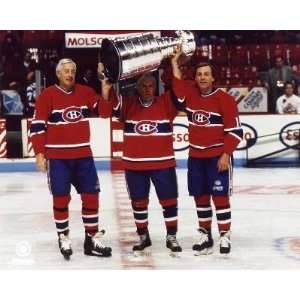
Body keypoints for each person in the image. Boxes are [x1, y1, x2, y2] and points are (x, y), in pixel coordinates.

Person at [30, 58, 112, 260]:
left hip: (83, 156)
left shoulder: (85, 92)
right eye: (65, 71)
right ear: (58, 74)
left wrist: (104, 87)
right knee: (60, 198)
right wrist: (40, 154)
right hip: (58, 158)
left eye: (72, 71)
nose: (69, 74)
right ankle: (63, 237)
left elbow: (104, 112)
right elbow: (38, 128)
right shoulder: (47, 95)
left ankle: (91, 238)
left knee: (92, 196)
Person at [99, 64, 182, 256]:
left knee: (169, 201)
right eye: (143, 86)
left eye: (150, 86)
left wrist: (175, 63)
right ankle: (143, 236)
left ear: (156, 87)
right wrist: (105, 80)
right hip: (135, 165)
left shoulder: (166, 104)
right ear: (137, 88)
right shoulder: (128, 104)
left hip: (163, 164)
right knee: (138, 202)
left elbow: (179, 90)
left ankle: (171, 236)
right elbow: (109, 103)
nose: (147, 89)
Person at [170, 47, 243, 255]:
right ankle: (205, 234)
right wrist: (175, 62)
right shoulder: (191, 93)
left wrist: (226, 154)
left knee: (220, 198)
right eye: (199, 74)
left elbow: (236, 132)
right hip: (196, 157)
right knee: (200, 197)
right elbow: (177, 84)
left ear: (213, 78)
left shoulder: (225, 99)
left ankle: (224, 236)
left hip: (217, 157)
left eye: (206, 74)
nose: (202, 78)